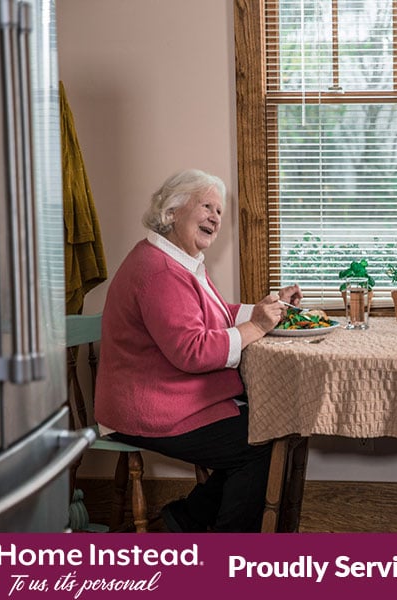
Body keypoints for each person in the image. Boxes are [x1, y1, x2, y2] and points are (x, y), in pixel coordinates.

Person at [94, 168, 301, 532]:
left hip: (171, 396)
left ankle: (187, 518)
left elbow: (215, 316)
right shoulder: (159, 271)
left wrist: (269, 309)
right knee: (259, 444)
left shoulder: (178, 263)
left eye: (219, 211)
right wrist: (257, 327)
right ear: (171, 212)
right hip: (144, 406)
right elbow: (192, 350)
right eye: (206, 206)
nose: (216, 217)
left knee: (266, 429)